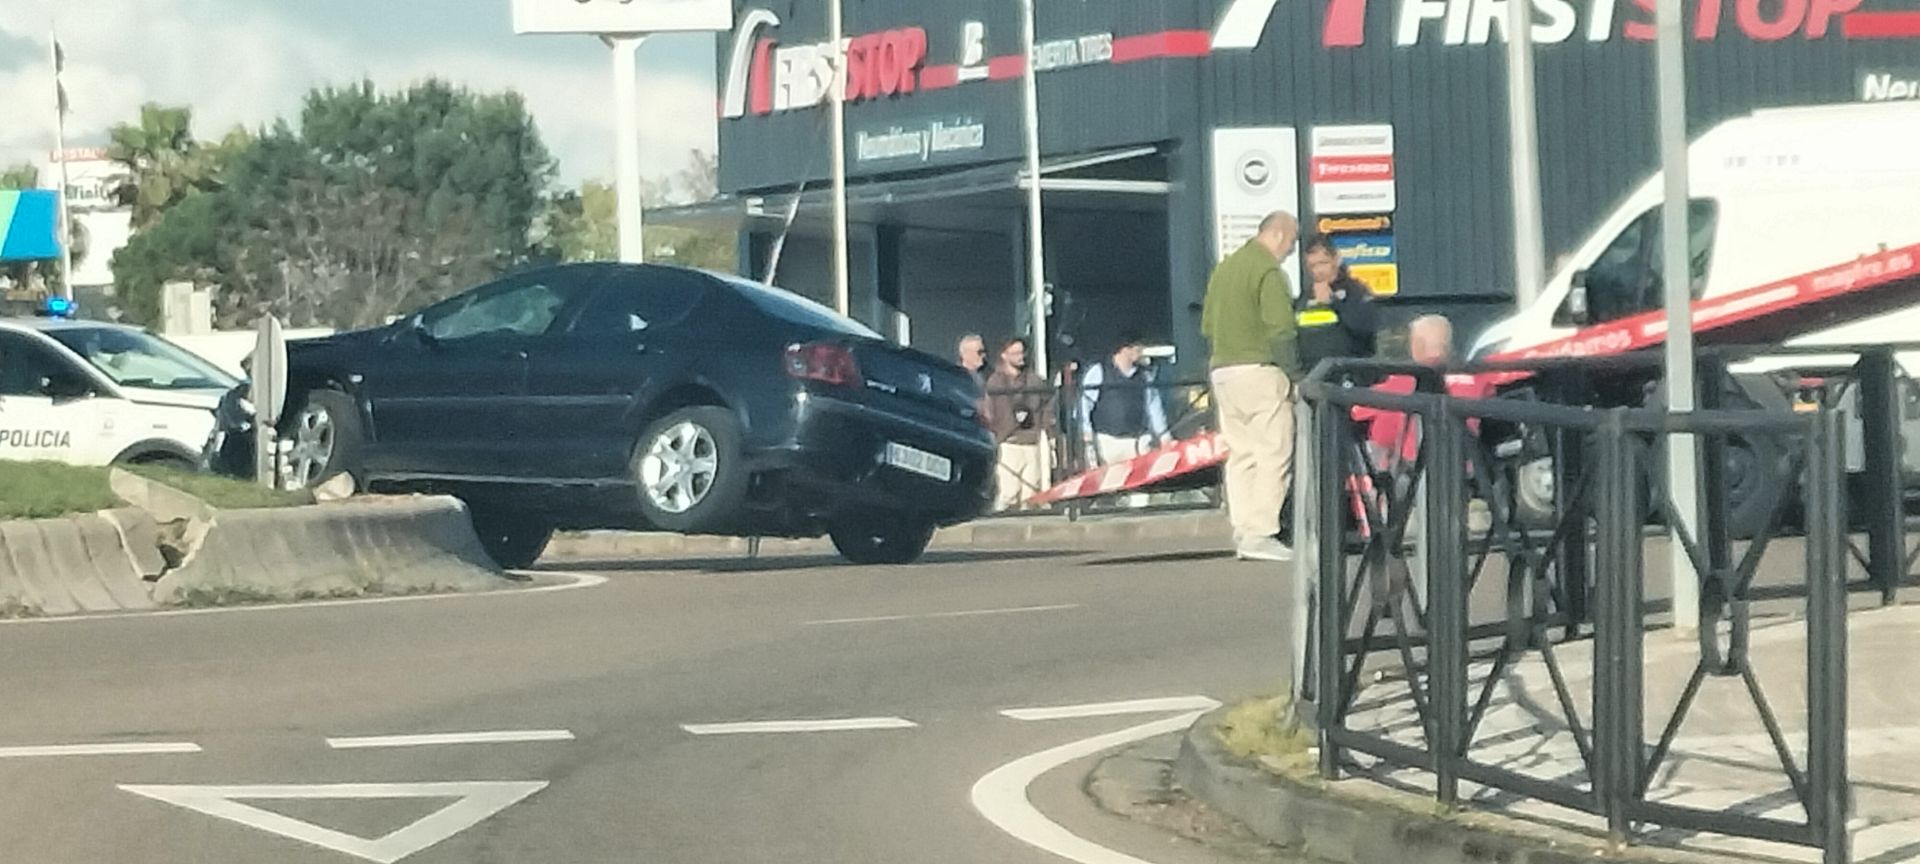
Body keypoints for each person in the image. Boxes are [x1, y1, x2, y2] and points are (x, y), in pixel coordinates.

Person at [1202, 211, 1303, 563]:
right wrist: (1295, 374)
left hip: (1223, 370)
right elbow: (1281, 330)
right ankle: (1262, 532)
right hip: (1261, 369)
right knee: (1274, 453)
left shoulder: (1225, 269)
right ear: (1276, 235)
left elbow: (1207, 325)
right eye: (1291, 242)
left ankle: (1243, 528)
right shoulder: (1268, 272)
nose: (1290, 251)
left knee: (1241, 454)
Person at [1078, 332, 1171, 466]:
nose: (1140, 351)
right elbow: (1084, 407)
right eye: (1136, 347)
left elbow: (1154, 408)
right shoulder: (1098, 372)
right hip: (1107, 445)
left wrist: (1164, 437)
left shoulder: (1145, 376)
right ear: (1124, 348)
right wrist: (1087, 437)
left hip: (1139, 443)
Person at [985, 338, 1055, 511]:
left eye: (1022, 352)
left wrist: (1049, 432)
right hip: (1008, 443)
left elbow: (1048, 405)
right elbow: (990, 412)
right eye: (1015, 353)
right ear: (1004, 355)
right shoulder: (995, 382)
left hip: (1032, 442)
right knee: (1008, 494)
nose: (1020, 357)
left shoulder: (1035, 381)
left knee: (1031, 496)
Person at [1294, 233, 1380, 375]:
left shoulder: (1355, 291)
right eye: (1313, 265)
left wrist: (1333, 303)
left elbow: (1364, 327)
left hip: (1348, 375)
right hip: (1313, 376)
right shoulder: (1304, 298)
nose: (1318, 270)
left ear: (1337, 260)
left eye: (1323, 263)